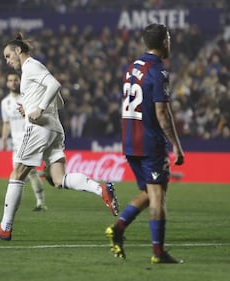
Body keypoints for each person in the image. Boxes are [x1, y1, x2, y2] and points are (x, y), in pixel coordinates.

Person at [0, 33, 119, 240]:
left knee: (17, 174)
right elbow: (60, 101)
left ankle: (5, 227)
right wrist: (29, 106)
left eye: (8, 56)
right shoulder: (34, 70)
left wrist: (39, 108)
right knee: (58, 179)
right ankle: (101, 190)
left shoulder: (31, 66)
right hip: (54, 129)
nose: (7, 61)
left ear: (19, 50)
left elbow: (55, 85)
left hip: (39, 128)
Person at [105, 23, 185, 264]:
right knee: (158, 195)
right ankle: (158, 252)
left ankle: (118, 228)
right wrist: (176, 145)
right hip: (150, 142)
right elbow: (162, 113)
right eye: (169, 38)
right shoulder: (157, 71)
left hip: (129, 141)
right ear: (164, 42)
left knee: (149, 193)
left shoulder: (132, 67)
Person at [1, 69, 47, 211]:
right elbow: (6, 123)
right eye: (10, 80)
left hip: (28, 139)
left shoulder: (27, 97)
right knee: (22, 173)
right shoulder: (5, 102)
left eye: (15, 80)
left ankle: (40, 203)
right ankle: (44, 174)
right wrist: (3, 138)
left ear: (20, 81)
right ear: (7, 83)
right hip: (15, 143)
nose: (13, 83)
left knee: (24, 173)